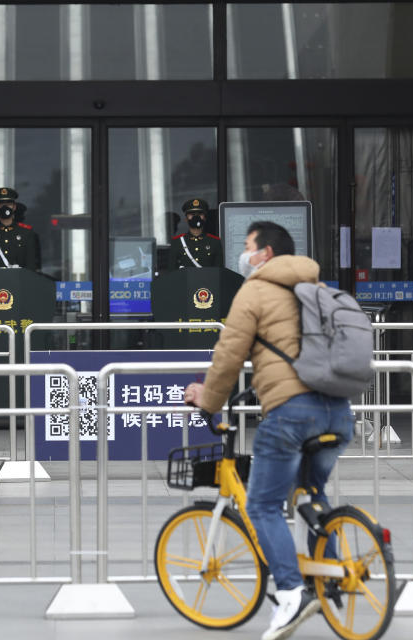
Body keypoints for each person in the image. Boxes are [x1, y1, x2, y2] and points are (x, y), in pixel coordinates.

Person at [183, 221, 352, 640]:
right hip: (338, 412)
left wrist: (208, 400)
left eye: (248, 247)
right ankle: (329, 577)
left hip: (292, 414)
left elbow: (228, 355)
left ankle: (292, 593)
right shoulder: (319, 288)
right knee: (310, 492)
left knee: (261, 506)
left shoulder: (255, 290)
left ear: (266, 254)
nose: (244, 255)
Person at [0, 187, 40, 271]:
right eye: (1, 204)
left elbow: (30, 266)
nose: (5, 208)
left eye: (8, 204)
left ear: (14, 207)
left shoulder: (26, 233)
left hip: (19, 281)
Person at [169, 198, 223, 269]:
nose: (196, 217)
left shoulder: (214, 242)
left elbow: (218, 271)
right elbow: (171, 272)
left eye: (200, 214)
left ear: (205, 218)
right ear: (186, 218)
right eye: (192, 214)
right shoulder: (177, 242)